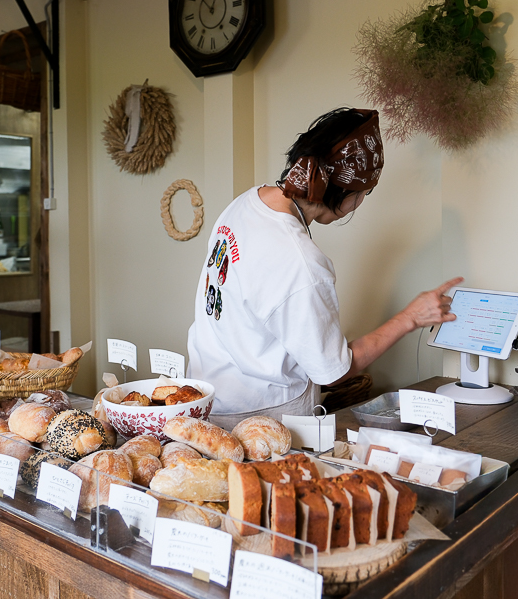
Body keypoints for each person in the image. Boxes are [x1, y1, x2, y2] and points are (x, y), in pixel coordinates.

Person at [186, 107, 462, 430]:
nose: (359, 203)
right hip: (259, 420)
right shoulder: (301, 263)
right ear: (343, 192)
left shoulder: (245, 204)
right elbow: (336, 370)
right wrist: (410, 317)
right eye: (363, 194)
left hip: (204, 399)